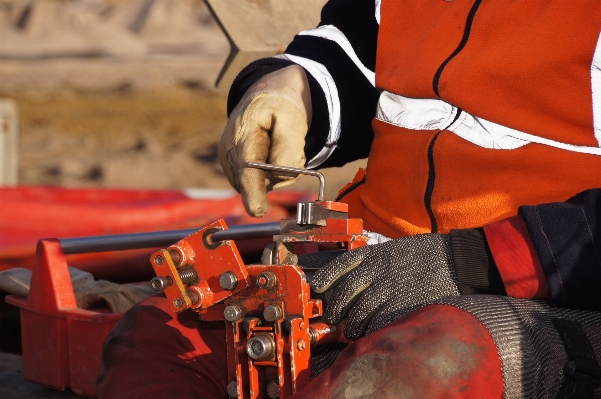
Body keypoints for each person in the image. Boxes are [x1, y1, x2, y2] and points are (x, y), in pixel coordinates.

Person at [98, 1, 601, 397]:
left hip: (552, 292)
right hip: (368, 259)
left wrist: (477, 262)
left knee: (412, 370)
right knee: (162, 336)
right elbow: (356, 56)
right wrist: (292, 90)